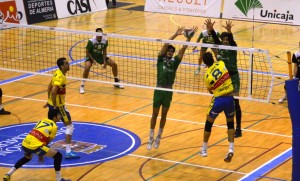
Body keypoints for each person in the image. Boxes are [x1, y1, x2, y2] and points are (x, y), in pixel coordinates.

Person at [147, 26, 198, 150]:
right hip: (159, 89)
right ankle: (150, 137)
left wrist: (188, 39)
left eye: (171, 51)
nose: (170, 52)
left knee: (164, 114)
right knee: (154, 113)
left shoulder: (175, 62)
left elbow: (182, 50)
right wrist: (175, 34)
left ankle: (159, 136)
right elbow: (165, 44)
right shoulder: (160, 59)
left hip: (168, 90)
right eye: (168, 51)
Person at [3, 109, 71, 181]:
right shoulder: (54, 127)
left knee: (27, 157)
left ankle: (8, 174)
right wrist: (40, 155)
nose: (60, 116)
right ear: (54, 117)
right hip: (35, 145)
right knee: (58, 156)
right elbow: (46, 142)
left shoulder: (42, 121)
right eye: (59, 115)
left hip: (25, 143)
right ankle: (59, 179)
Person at [208, 19, 243, 138]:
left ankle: (238, 128)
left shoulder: (233, 48)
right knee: (228, 103)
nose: (225, 41)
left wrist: (230, 31)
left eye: (227, 39)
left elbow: (232, 42)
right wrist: (211, 30)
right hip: (224, 78)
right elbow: (216, 40)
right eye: (224, 40)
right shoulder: (220, 48)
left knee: (236, 102)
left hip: (233, 77)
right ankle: (231, 128)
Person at [200, 52, 235, 163]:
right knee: (230, 124)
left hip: (218, 100)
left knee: (208, 123)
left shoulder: (206, 76)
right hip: (229, 99)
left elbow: (211, 91)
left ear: (205, 63)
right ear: (213, 58)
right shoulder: (221, 63)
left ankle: (204, 149)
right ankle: (231, 149)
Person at [44, 57, 80, 159]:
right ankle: (68, 152)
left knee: (51, 125)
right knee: (69, 126)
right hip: (59, 106)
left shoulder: (57, 72)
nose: (69, 65)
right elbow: (54, 90)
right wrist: (55, 105)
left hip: (53, 104)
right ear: (62, 66)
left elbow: (49, 86)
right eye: (66, 63)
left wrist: (49, 101)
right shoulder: (60, 77)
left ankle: (43, 144)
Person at [80, 28, 124, 94]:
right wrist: (93, 60)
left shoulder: (105, 40)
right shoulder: (91, 41)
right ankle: (82, 85)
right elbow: (87, 52)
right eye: (98, 34)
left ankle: (116, 82)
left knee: (114, 64)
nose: (100, 35)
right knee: (87, 67)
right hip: (91, 56)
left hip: (99, 56)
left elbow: (104, 51)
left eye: (101, 33)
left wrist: (105, 61)